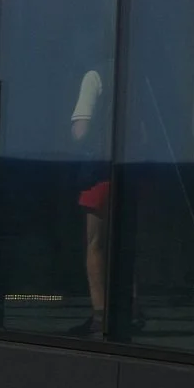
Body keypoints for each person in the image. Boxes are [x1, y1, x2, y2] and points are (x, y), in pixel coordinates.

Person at [69, 67, 110, 334]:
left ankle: (100, 314)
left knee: (95, 245)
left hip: (100, 173)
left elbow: (80, 131)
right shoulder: (140, 73)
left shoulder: (95, 76)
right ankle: (132, 306)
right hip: (134, 170)